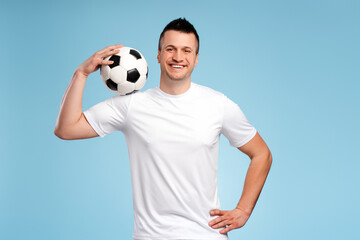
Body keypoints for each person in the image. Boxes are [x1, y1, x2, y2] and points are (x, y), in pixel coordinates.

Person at [54, 18, 272, 240]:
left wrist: (244, 210)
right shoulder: (131, 106)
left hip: (206, 235)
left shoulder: (219, 104)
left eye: (186, 50)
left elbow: (262, 154)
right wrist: (80, 74)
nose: (178, 57)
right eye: (170, 49)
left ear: (196, 59)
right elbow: (67, 129)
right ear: (158, 55)